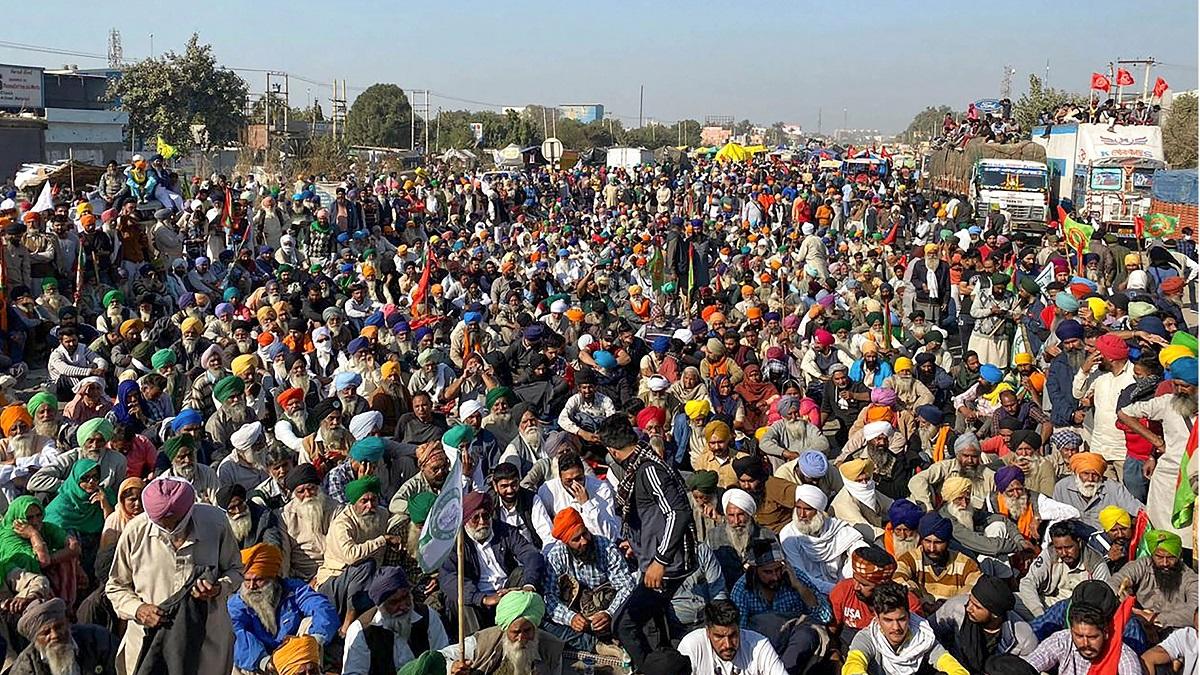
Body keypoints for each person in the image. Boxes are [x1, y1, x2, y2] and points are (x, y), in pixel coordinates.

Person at [104, 477, 242, 675]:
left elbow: (236, 570)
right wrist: (139, 609)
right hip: (150, 639)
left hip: (206, 639)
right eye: (162, 524)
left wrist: (219, 588)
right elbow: (116, 586)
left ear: (189, 511)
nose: (170, 529)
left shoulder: (216, 523)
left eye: (176, 523)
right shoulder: (135, 531)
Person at [599, 413, 696, 670]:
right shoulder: (641, 465)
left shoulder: (649, 469)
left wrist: (660, 560)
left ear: (612, 450)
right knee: (653, 623)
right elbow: (652, 515)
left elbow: (677, 512)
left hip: (666, 565)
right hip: (653, 558)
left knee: (625, 624)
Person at [440, 491, 546, 633]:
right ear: (465, 520)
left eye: (485, 516)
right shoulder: (456, 541)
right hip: (478, 598)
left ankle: (523, 633)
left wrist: (528, 586)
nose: (482, 522)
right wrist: (482, 598)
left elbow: (531, 554)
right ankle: (478, 645)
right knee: (459, 598)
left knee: (522, 574)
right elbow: (448, 578)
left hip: (506, 592)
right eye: (475, 518)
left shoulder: (504, 530)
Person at [228, 543, 338, 674]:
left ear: (273, 578)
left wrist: (314, 642)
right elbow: (235, 633)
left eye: (259, 580)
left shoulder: (293, 590)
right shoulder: (237, 603)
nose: (252, 586)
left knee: (308, 622)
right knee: (234, 653)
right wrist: (266, 662)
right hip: (262, 662)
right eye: (247, 580)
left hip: (296, 656)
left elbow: (321, 607)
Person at [542, 508, 635, 652]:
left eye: (584, 533)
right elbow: (549, 596)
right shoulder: (556, 556)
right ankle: (596, 646)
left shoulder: (606, 548)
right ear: (566, 543)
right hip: (578, 613)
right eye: (576, 539)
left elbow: (626, 586)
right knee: (546, 624)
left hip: (607, 608)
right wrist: (570, 618)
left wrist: (609, 613)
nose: (584, 541)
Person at [841, 580, 969, 675]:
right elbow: (853, 665)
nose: (896, 627)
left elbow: (947, 661)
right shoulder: (867, 638)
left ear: (909, 615)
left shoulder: (922, 635)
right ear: (877, 618)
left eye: (901, 619)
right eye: (888, 620)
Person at [342, 566, 451, 675]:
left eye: (405, 597)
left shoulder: (427, 615)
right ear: (381, 606)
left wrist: (452, 667)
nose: (403, 606)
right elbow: (353, 672)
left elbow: (443, 655)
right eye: (394, 602)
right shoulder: (361, 630)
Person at [1022, 582, 1143, 675]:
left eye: (1093, 637)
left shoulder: (1125, 655)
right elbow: (1030, 664)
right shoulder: (1062, 641)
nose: (1085, 644)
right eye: (1079, 636)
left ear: (1106, 632)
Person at [441, 590, 564, 675]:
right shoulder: (483, 641)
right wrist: (452, 667)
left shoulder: (552, 648)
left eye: (527, 631)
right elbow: (440, 657)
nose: (521, 638)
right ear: (506, 629)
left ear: (535, 627)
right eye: (515, 632)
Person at [930, 576, 1038, 671]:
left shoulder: (1023, 638)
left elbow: (1026, 671)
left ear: (995, 614)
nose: (969, 608)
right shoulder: (956, 607)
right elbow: (929, 635)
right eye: (970, 600)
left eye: (977, 607)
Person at [779, 484, 866, 594]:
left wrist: (846, 579)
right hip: (809, 588)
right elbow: (800, 574)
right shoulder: (789, 535)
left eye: (807, 509)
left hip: (841, 584)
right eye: (798, 508)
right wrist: (836, 590)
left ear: (818, 512)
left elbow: (860, 547)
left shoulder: (833, 527)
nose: (801, 515)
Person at [828, 546, 923, 647]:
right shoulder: (843, 590)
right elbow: (831, 630)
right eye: (855, 579)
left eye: (864, 584)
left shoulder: (908, 603)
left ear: (881, 586)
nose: (856, 587)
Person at [1016, 520, 1110, 618]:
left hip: (1078, 611)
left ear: (1079, 542)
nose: (1064, 553)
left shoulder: (1095, 562)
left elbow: (1103, 597)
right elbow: (1028, 582)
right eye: (1059, 548)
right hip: (1048, 604)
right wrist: (1038, 612)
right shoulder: (1050, 553)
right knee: (1014, 599)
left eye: (1068, 547)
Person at [1109, 529, 1198, 630]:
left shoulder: (1189, 577)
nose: (1165, 563)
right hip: (1139, 623)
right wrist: (1130, 606)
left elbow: (1195, 610)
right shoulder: (1142, 565)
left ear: (1179, 556)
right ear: (1152, 555)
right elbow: (1114, 582)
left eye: (1171, 558)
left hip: (1173, 629)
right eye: (1159, 557)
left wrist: (1156, 618)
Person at [894, 513, 982, 614]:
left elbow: (976, 586)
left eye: (938, 543)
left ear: (948, 542)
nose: (932, 548)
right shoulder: (910, 559)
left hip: (952, 615)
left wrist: (948, 604)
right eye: (927, 541)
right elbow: (897, 579)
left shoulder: (965, 563)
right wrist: (920, 600)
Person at [676, 599, 789, 675]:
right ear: (708, 632)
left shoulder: (758, 644)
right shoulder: (692, 645)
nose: (728, 644)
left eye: (733, 635)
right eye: (719, 637)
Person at [10, 597, 119, 675]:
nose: (55, 635)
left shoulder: (98, 639)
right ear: (35, 640)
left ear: (67, 623)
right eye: (46, 633)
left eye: (58, 627)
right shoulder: (26, 666)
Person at [278, 464, 334, 581]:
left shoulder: (335, 509)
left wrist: (322, 576)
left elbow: (337, 549)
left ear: (318, 487)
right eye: (301, 491)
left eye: (311, 488)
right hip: (298, 576)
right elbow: (285, 554)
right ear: (294, 494)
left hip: (331, 572)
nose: (307, 494)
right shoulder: (285, 515)